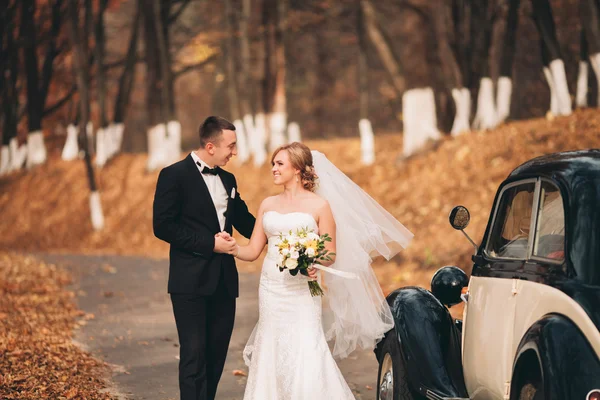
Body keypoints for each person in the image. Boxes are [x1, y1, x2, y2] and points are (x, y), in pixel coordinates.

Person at [219, 142, 413, 399]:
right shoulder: (267, 204)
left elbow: (330, 254)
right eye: (273, 164)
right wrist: (232, 248)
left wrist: (312, 261)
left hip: (302, 289)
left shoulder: (320, 206)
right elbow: (253, 250)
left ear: (298, 169)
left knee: (306, 345)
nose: (273, 169)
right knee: (271, 343)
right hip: (272, 287)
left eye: (279, 164)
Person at [152, 116, 255, 400]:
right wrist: (209, 244)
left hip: (224, 282)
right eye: (230, 146)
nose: (234, 152)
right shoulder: (173, 175)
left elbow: (245, 221)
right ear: (211, 146)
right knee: (193, 356)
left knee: (215, 356)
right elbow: (163, 226)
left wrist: (286, 231)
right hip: (189, 282)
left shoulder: (228, 179)